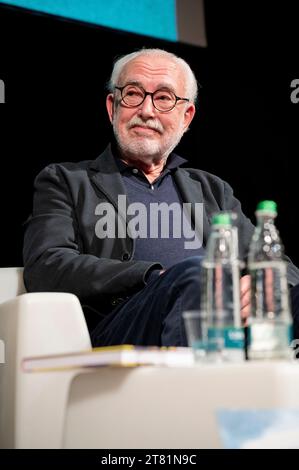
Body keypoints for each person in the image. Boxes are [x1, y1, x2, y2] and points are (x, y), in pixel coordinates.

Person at [23, 48, 299, 346]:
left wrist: (261, 287)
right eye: (132, 94)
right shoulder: (66, 181)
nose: (147, 110)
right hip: (121, 330)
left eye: (164, 98)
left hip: (224, 326)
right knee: (195, 273)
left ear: (186, 116)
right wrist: (152, 275)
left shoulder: (212, 189)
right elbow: (46, 265)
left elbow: (282, 266)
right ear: (112, 107)